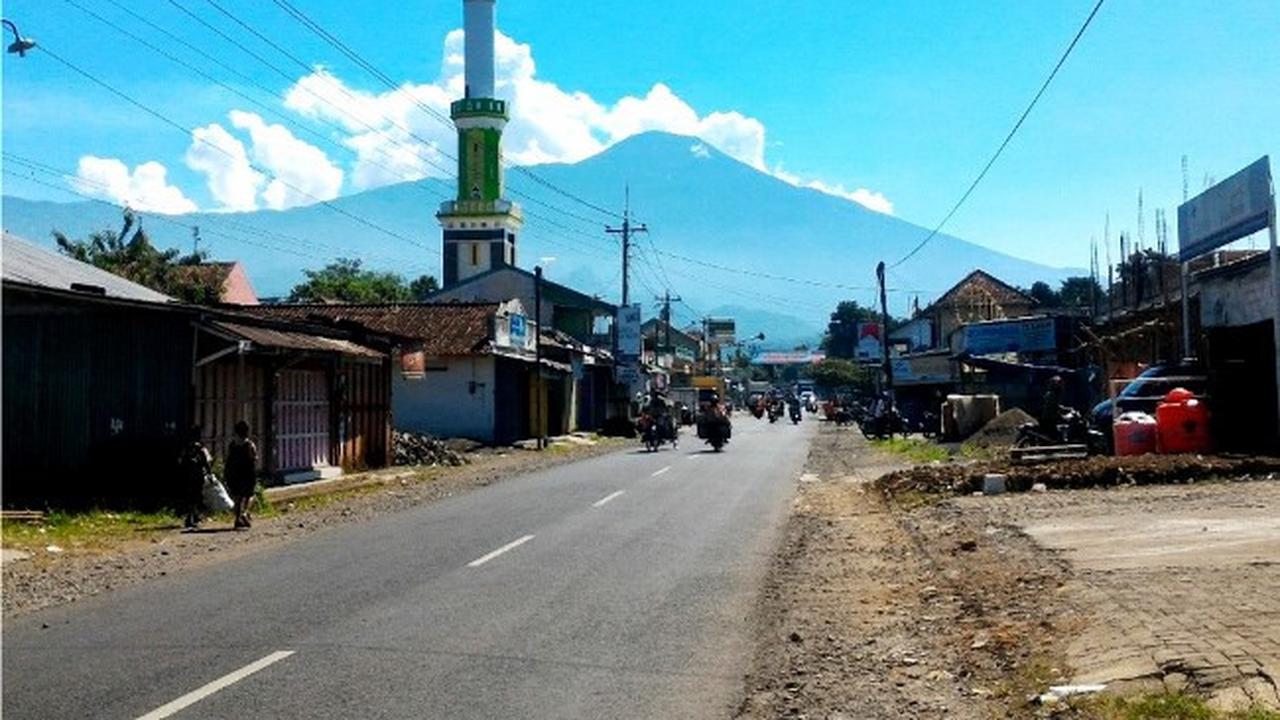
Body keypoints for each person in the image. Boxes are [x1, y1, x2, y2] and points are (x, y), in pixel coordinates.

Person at [225, 421, 259, 529]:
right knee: (249, 495)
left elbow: (229, 459)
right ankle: (245, 513)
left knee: (237, 497)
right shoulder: (249, 444)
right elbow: (253, 458)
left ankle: (237, 519)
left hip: (235, 473)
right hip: (247, 473)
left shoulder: (232, 444)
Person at [177, 426, 212, 529]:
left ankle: (193, 516)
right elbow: (205, 462)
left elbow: (180, 461)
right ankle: (190, 518)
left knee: (189, 497)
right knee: (195, 497)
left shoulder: (186, 447)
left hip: (187, 475)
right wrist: (209, 474)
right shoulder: (200, 448)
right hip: (197, 475)